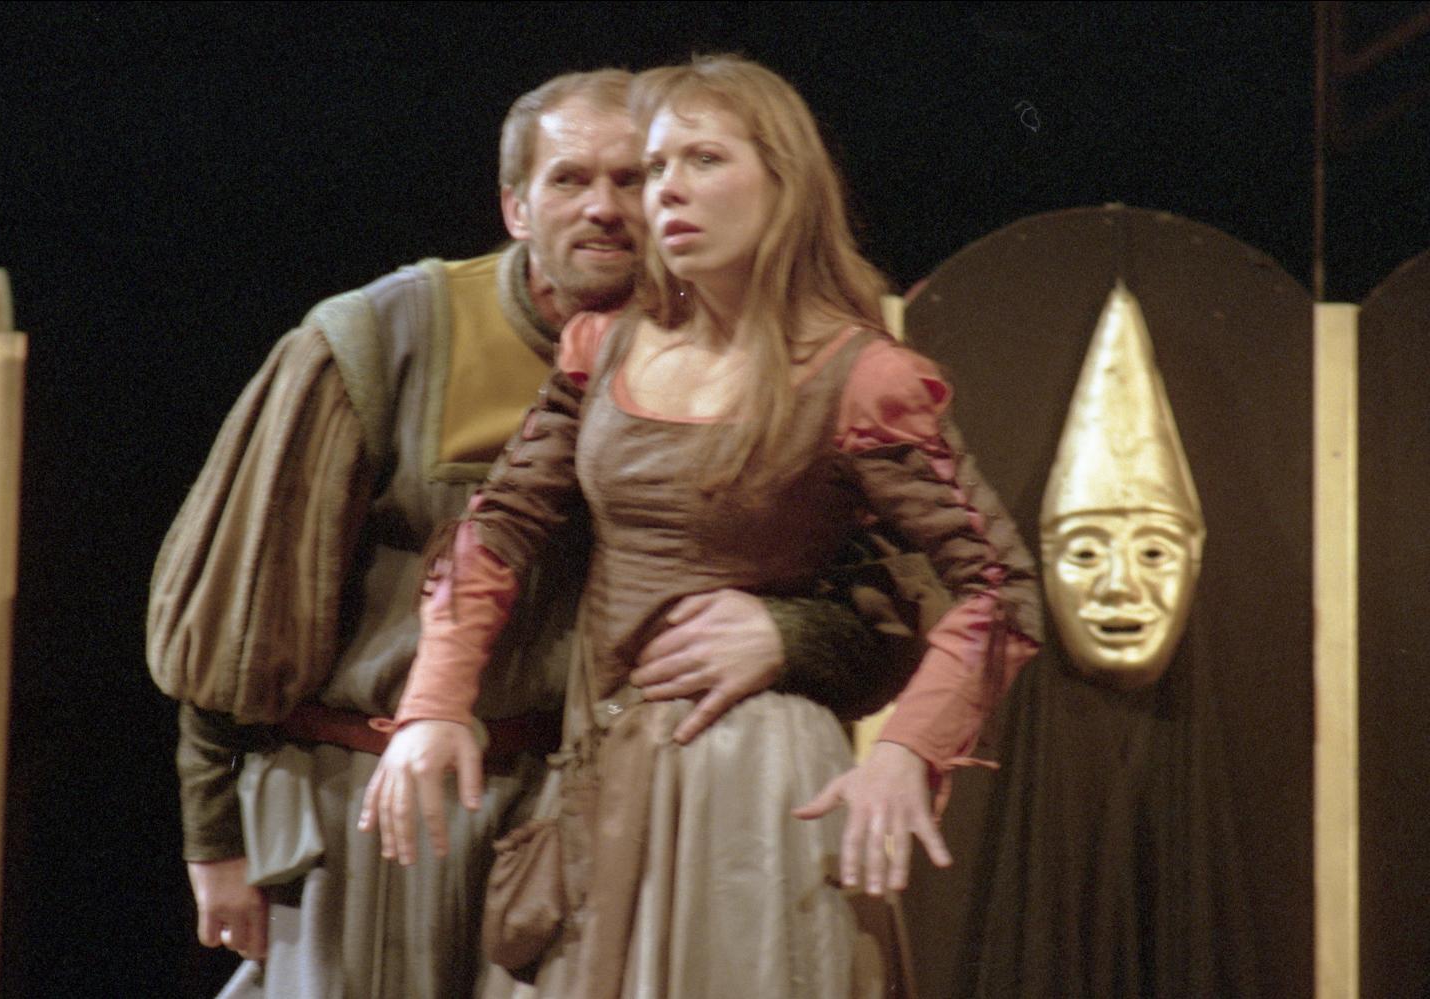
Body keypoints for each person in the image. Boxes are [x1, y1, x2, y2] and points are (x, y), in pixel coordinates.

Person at [147, 68, 907, 999]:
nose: (606, 208)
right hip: (380, 801)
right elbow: (236, 613)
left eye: (634, 177)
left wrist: (787, 634)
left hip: (596, 801)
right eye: (569, 179)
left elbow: (889, 605)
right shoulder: (386, 340)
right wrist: (214, 836)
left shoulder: (759, 361)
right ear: (515, 206)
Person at [367, 55, 1042, 997]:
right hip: (609, 759)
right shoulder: (606, 341)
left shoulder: (860, 378)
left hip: (752, 774)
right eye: (654, 167)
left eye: (704, 160)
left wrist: (904, 751)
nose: (665, 191)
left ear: (784, 183)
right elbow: (501, 523)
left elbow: (999, 587)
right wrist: (435, 701)